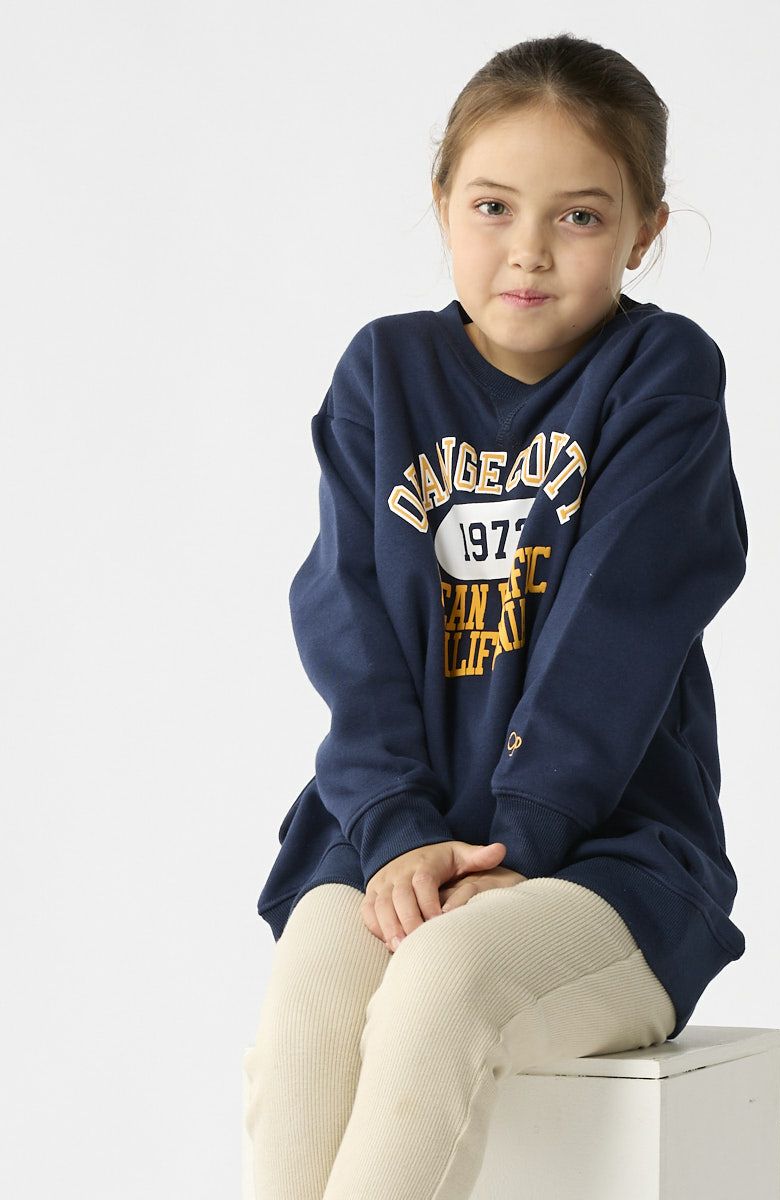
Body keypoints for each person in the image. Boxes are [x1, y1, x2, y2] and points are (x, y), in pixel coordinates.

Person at [245, 32, 751, 1200]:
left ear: (644, 230)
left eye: (579, 216)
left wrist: (519, 840)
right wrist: (394, 829)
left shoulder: (661, 376)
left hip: (612, 856)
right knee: (310, 1018)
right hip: (387, 836)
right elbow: (346, 620)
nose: (528, 249)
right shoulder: (385, 371)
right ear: (441, 204)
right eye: (492, 206)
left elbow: (619, 627)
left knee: (440, 984)